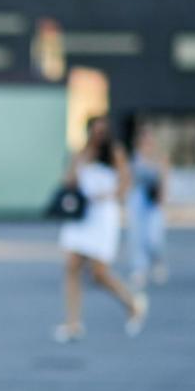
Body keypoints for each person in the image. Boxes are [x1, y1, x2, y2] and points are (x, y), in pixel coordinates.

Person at [55, 116, 148, 342]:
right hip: (82, 215)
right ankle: (72, 322)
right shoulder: (82, 153)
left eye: (102, 132)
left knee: (99, 273)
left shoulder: (115, 153)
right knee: (72, 266)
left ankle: (132, 303)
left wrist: (107, 195)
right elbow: (68, 181)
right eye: (94, 131)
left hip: (103, 216)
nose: (98, 136)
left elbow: (125, 184)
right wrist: (77, 165)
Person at [126, 127, 169, 290]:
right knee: (137, 236)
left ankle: (157, 260)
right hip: (137, 198)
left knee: (153, 237)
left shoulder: (159, 159)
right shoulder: (134, 158)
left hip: (153, 201)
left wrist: (163, 198)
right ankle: (139, 268)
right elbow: (128, 178)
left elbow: (164, 179)